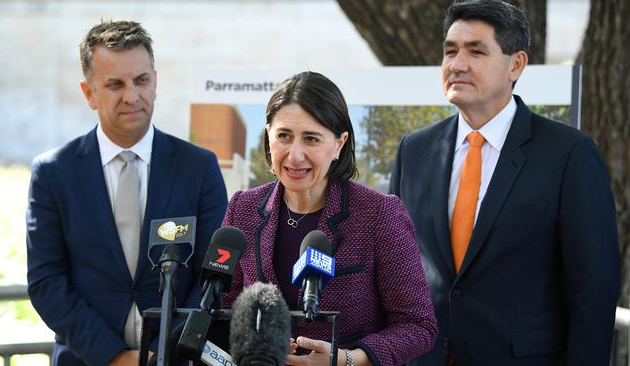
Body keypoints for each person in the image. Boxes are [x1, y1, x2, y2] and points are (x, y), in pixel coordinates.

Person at [389, 1, 620, 365]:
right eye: (450, 52)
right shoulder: (414, 150)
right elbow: (394, 270)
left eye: (476, 51)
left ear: (516, 64)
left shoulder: (568, 153)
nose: (457, 64)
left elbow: (593, 290)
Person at [26, 20, 228, 366]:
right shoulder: (53, 173)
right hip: (86, 359)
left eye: (141, 80)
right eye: (115, 84)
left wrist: (167, 350)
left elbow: (216, 273)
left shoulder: (200, 167)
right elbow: (47, 282)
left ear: (155, 81)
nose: (132, 96)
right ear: (89, 93)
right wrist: (116, 357)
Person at [220, 71, 437, 366]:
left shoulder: (379, 213)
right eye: (284, 136)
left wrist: (346, 359)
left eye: (311, 139)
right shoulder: (242, 208)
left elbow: (418, 325)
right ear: (268, 135)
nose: (295, 156)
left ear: (339, 143)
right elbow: (224, 307)